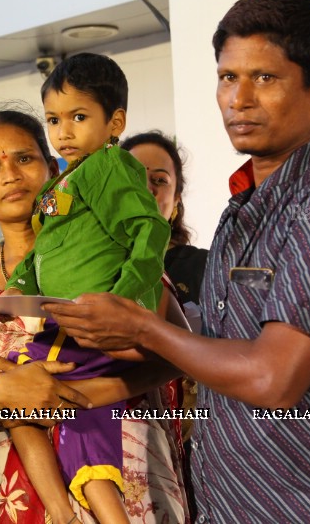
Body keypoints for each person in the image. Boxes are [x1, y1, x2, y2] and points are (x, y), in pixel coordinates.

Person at [46, 0, 310, 523]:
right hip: (230, 508)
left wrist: (144, 330)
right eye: (227, 77)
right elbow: (212, 357)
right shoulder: (242, 207)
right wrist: (96, 337)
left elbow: (272, 379)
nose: (238, 98)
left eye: (265, 78)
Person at [0, 108, 188, 524]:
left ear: (55, 171)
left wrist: (87, 393)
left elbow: (180, 355)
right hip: (25, 500)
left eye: (25, 158)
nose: (10, 174)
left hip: (132, 483)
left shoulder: (116, 258)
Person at [3, 55, 172, 524]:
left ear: (115, 122)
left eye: (79, 117)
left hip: (93, 326)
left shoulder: (111, 165)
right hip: (62, 324)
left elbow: (150, 231)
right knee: (14, 395)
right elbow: (45, 249)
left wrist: (124, 301)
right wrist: (17, 288)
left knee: (80, 412)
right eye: (54, 120)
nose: (64, 133)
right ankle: (61, 509)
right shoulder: (62, 182)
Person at [121, 130, 207, 521]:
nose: (147, 189)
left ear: (175, 203)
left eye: (159, 180)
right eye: (134, 178)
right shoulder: (84, 270)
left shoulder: (207, 266)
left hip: (197, 453)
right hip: (107, 450)